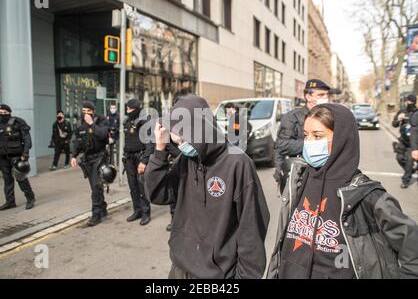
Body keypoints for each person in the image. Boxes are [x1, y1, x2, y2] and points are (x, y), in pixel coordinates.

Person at [267, 104, 418, 279]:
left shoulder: (368, 195)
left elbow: (412, 250)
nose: (309, 143)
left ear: (341, 139)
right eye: (306, 135)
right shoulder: (298, 181)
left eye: (318, 136)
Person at [145, 94, 270, 279]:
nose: (181, 145)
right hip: (181, 268)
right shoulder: (186, 159)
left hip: (219, 274)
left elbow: (252, 230)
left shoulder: (238, 163)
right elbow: (159, 194)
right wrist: (159, 151)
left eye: (183, 138)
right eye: (176, 141)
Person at [273, 79, 331, 192]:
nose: (325, 98)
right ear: (308, 97)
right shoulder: (292, 117)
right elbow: (281, 145)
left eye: (326, 95)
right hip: (299, 174)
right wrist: (314, 144)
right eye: (321, 95)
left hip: (325, 173)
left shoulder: (329, 117)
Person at [0, 104, 36, 211]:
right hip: (3, 159)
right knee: (7, 180)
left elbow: (27, 139)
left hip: (17, 156)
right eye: (0, 113)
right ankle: (10, 202)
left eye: (4, 113)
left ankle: (30, 198)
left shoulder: (18, 122)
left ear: (9, 113)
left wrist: (25, 154)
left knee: (21, 178)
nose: (2, 115)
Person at [70, 101, 109, 227]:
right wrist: (74, 156)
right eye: (84, 111)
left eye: (88, 111)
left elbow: (104, 135)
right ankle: (102, 208)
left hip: (100, 157)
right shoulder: (81, 124)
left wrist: (92, 123)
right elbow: (78, 142)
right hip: (88, 159)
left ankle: (96, 214)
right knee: (95, 187)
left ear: (93, 111)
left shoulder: (102, 120)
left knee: (96, 186)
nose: (86, 114)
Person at [123, 99, 154, 226]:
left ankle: (146, 213)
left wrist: (144, 161)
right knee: (132, 186)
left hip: (139, 157)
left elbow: (149, 143)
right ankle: (137, 211)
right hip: (129, 158)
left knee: (141, 186)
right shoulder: (126, 121)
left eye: (129, 109)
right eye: (127, 108)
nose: (127, 111)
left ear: (135, 109)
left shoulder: (144, 122)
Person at [392, 94, 417, 188]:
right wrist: (399, 119)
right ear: (406, 101)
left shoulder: (416, 113)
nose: (409, 103)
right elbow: (394, 124)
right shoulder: (402, 111)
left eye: (412, 102)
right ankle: (410, 170)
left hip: (412, 143)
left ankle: (405, 181)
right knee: (399, 158)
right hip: (403, 141)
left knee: (409, 160)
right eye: (408, 101)